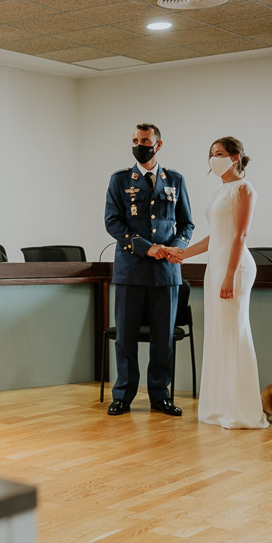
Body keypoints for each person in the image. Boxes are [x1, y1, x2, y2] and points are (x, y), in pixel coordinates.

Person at [170, 137, 268, 429]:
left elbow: (240, 235)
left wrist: (230, 274)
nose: (214, 159)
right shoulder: (220, 191)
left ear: (235, 157)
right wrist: (184, 254)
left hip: (234, 269)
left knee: (234, 332)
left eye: (220, 153)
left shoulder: (243, 189)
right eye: (211, 154)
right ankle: (220, 407)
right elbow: (217, 235)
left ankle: (240, 410)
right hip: (216, 266)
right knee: (218, 334)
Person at [103, 123, 194, 416]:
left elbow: (186, 224)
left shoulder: (175, 180)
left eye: (144, 140)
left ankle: (160, 396)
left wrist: (177, 246)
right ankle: (124, 395)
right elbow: (113, 222)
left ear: (158, 144)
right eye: (135, 140)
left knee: (163, 339)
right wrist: (145, 246)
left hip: (166, 273)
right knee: (126, 339)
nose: (139, 144)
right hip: (131, 270)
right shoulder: (120, 180)